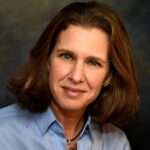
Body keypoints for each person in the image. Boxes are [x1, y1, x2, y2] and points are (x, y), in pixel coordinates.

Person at [0, 1, 139, 150]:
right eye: (67, 56)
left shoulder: (116, 143)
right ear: (47, 59)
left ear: (109, 76)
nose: (76, 76)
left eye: (93, 63)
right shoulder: (3, 133)